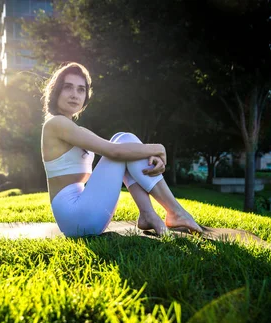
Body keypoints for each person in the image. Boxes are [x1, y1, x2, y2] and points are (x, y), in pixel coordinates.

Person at [41, 62, 203, 238]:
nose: (75, 94)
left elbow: (120, 151)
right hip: (77, 217)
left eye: (81, 89)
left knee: (123, 141)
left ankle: (149, 214)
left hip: (82, 215)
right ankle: (174, 211)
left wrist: (147, 152)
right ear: (56, 91)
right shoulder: (56, 124)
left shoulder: (74, 129)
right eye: (68, 87)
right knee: (124, 142)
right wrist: (158, 149)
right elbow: (115, 152)